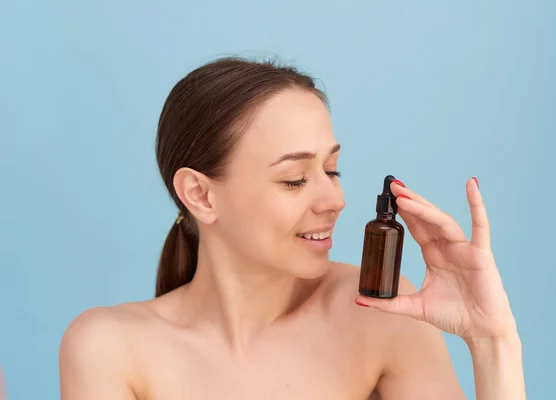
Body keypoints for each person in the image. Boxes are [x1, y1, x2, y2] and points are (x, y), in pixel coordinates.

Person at [58, 56, 526, 399]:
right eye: (294, 179)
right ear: (200, 195)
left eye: (333, 170)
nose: (335, 200)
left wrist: (491, 340)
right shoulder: (109, 348)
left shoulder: (374, 314)